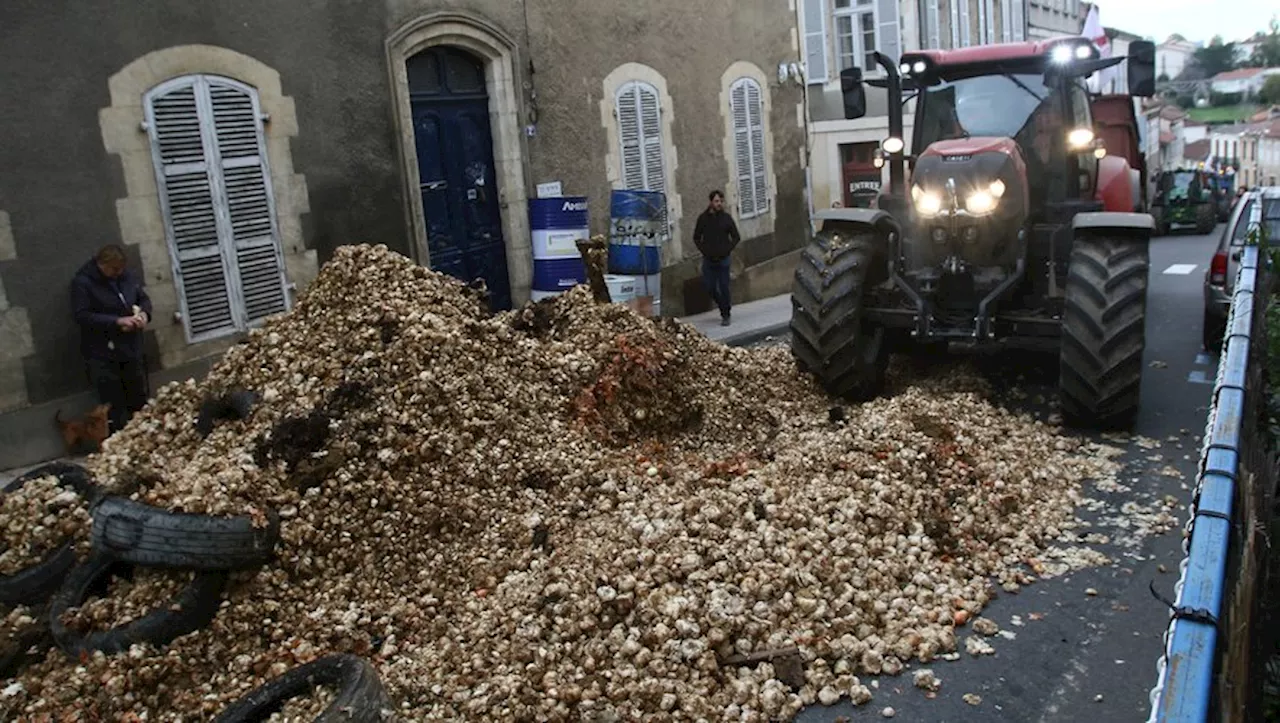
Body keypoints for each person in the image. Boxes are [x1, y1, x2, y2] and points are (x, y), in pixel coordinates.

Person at [71, 244, 153, 434]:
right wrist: (116, 321)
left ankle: (144, 435)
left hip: (131, 348)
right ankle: (119, 437)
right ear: (101, 265)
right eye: (113, 270)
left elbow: (143, 299)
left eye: (120, 269)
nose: (117, 273)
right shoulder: (83, 283)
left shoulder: (127, 277)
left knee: (138, 396)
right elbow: (82, 316)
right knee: (114, 402)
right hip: (104, 353)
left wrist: (144, 315)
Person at [693, 190, 741, 326]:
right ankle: (722, 306)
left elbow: (736, 237)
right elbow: (696, 237)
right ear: (711, 203)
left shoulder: (726, 218)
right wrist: (704, 250)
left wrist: (727, 249)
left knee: (724, 287)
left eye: (720, 201)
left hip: (723, 259)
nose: (719, 204)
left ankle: (726, 314)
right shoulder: (703, 219)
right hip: (708, 260)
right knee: (710, 287)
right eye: (716, 201)